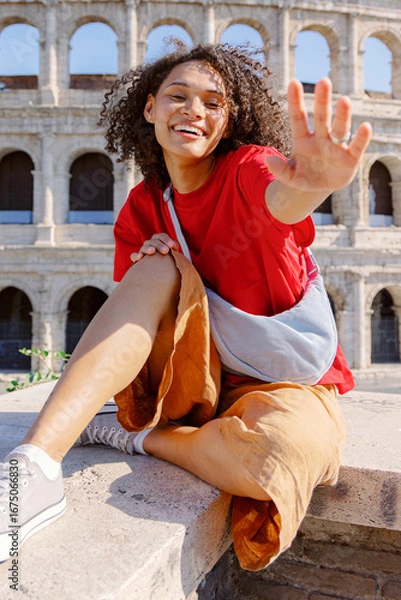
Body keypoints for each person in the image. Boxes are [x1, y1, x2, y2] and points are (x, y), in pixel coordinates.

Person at [0, 42, 372, 571]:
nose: (193, 109)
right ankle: (32, 467)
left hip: (283, 383)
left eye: (213, 103)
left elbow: (280, 197)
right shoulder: (144, 205)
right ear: (149, 108)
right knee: (154, 263)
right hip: (190, 375)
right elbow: (138, 324)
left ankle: (141, 436)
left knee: (279, 458)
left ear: (229, 121)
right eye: (178, 95)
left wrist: (312, 187)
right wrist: (158, 261)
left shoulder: (249, 166)